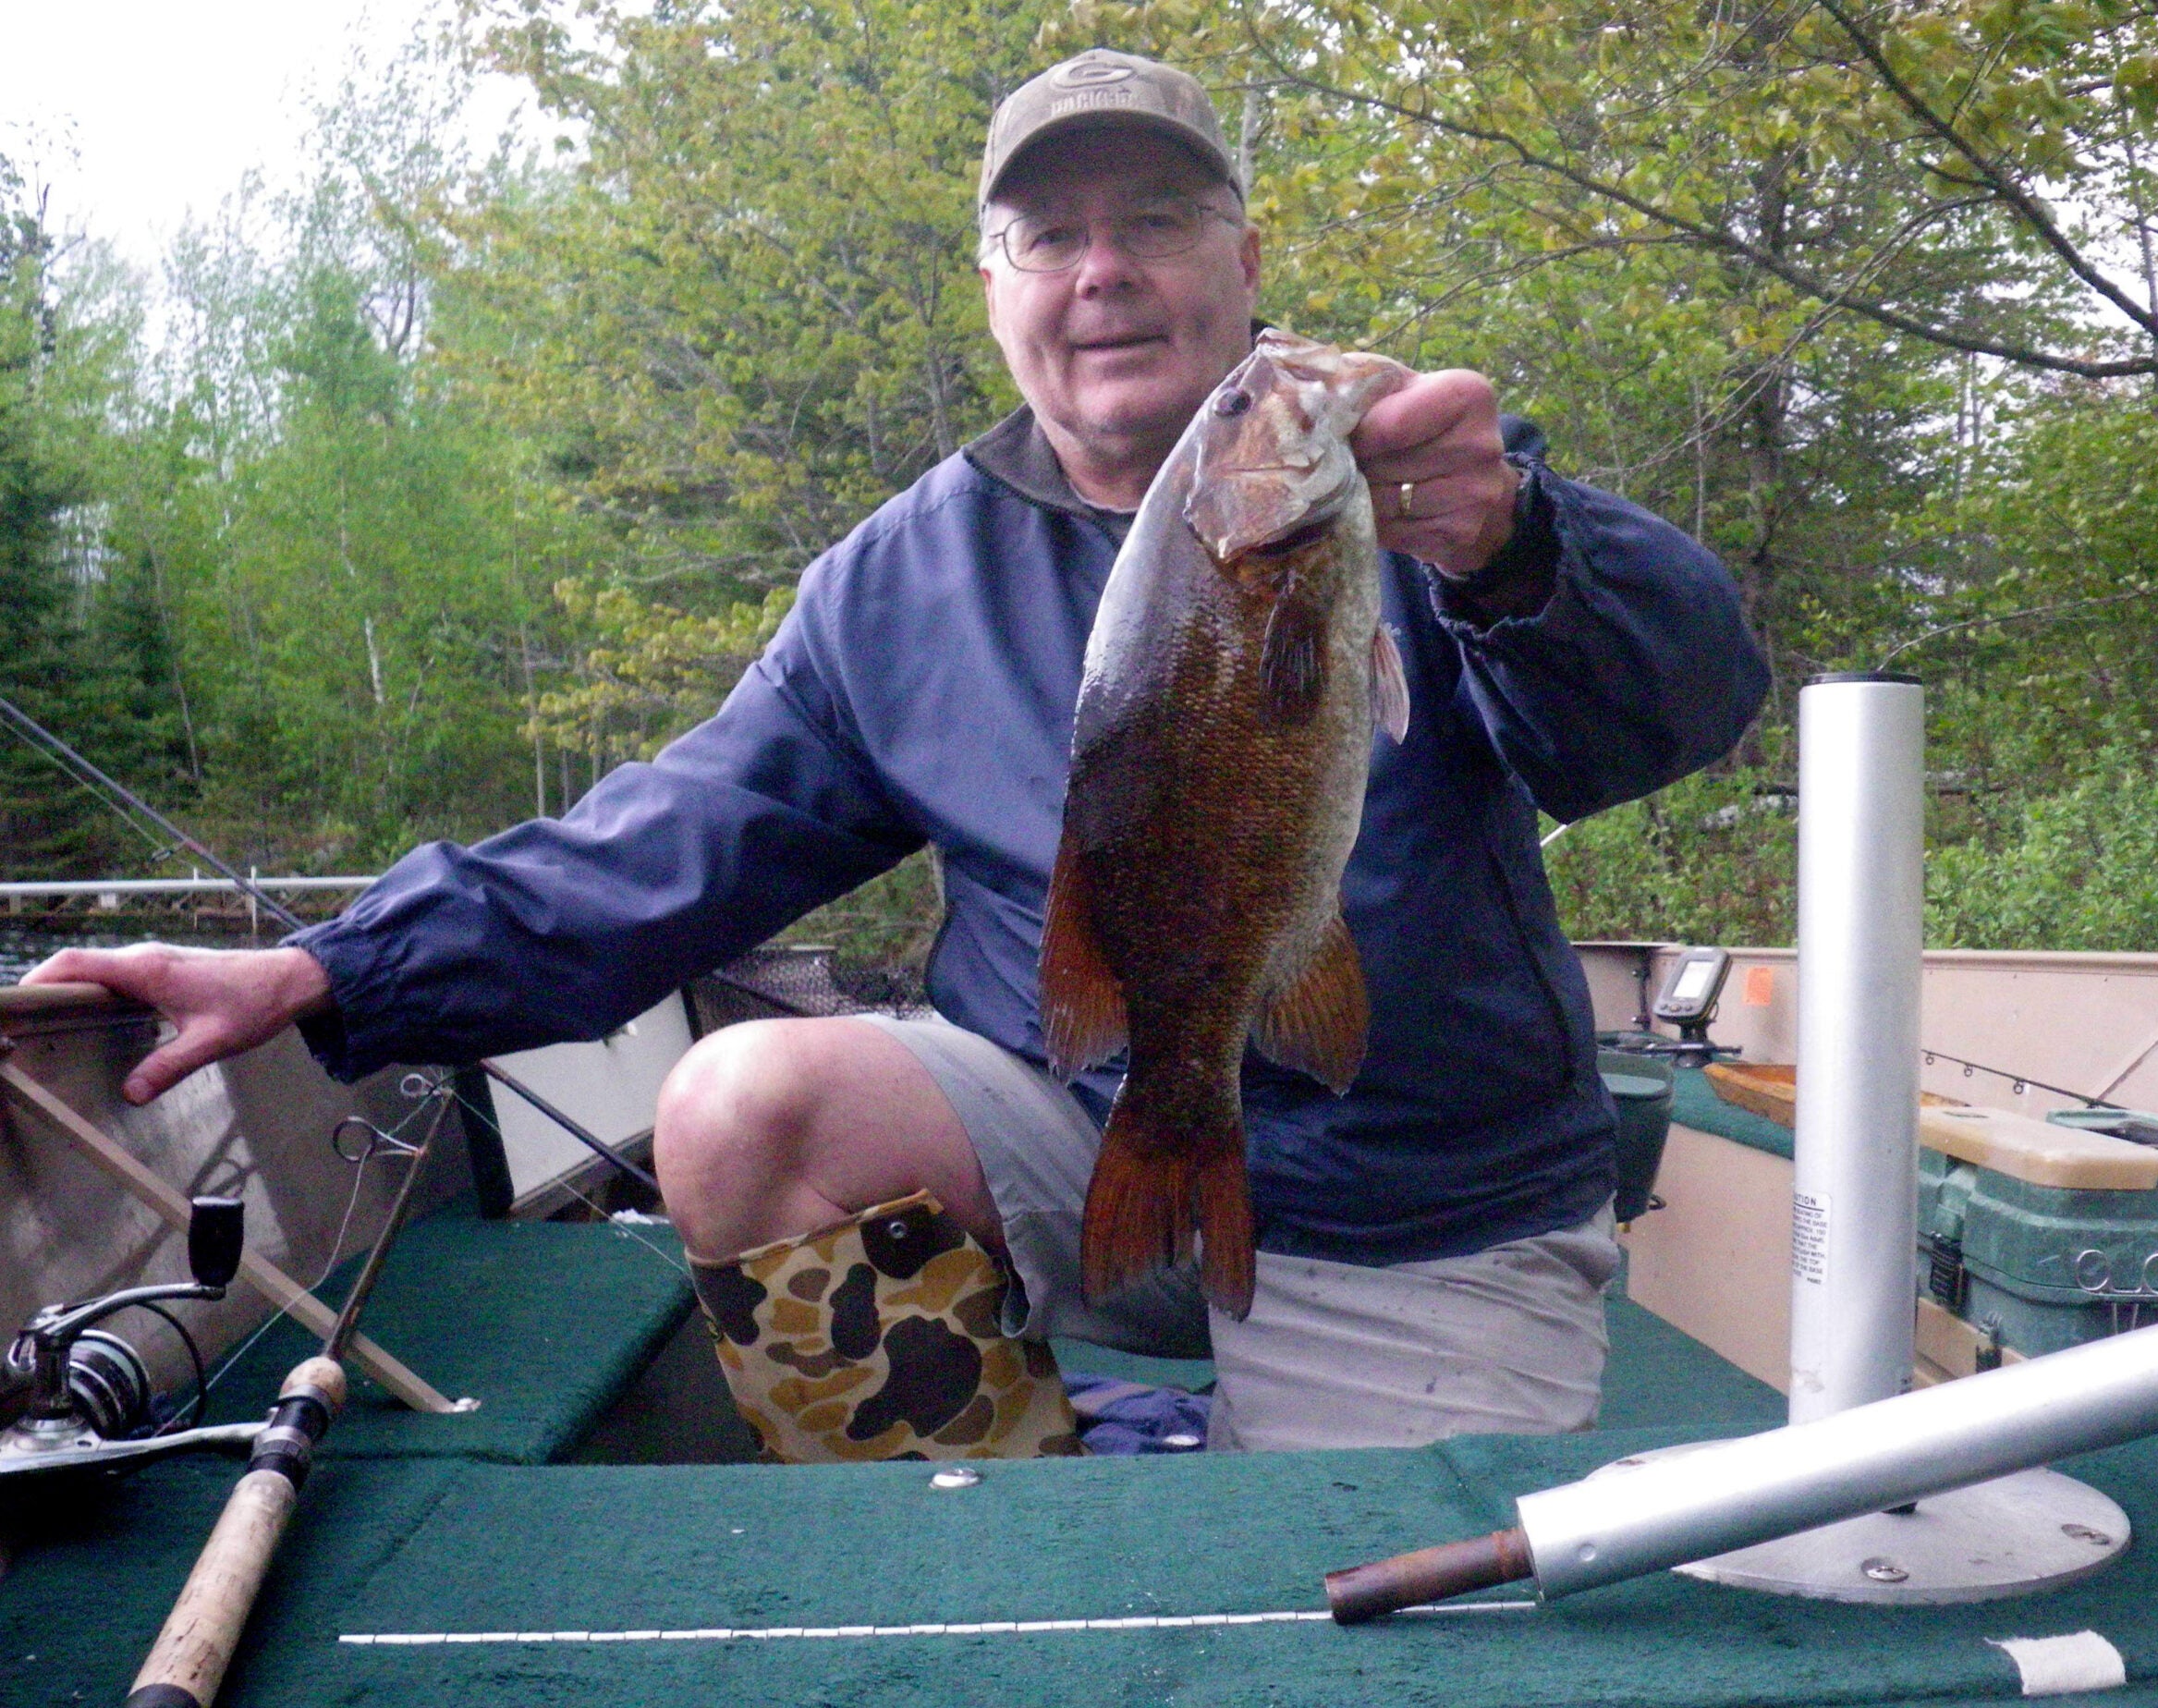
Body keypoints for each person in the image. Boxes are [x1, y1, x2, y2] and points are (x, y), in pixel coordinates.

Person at [30, 50, 1769, 1459]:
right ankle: (1000, 1509)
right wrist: (329, 972)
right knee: (746, 1099)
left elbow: (1673, 711)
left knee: (1350, 1614)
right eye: (1049, 236)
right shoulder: (902, 582)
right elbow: (667, 849)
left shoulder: (1411, 482)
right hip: (1082, 1128)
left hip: (1416, 1210)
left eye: (1159, 219)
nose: (1106, 272)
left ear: (1246, 262)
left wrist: (1516, 546)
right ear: (995, 286)